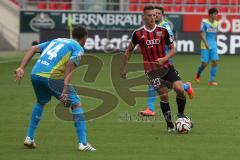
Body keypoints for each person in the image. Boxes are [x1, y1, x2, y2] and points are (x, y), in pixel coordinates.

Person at [15, 26, 96, 151]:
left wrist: (21, 68)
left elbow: (34, 48)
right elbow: (70, 64)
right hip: (50, 78)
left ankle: (29, 138)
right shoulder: (78, 48)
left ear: (71, 35)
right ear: (85, 38)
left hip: (35, 74)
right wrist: (65, 89)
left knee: (41, 102)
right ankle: (83, 144)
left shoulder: (57, 40)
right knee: (76, 104)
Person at [120, 6, 191, 132]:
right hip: (152, 71)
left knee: (179, 89)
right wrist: (122, 68)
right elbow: (129, 50)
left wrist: (165, 58)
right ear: (144, 17)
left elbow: (174, 49)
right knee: (164, 95)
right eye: (150, 15)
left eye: (154, 15)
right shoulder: (138, 33)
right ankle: (170, 126)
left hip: (167, 66)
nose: (153, 17)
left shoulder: (163, 31)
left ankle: (181, 115)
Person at [139, 6, 195, 116]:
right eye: (154, 14)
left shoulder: (164, 26)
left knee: (164, 84)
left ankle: (151, 108)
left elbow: (171, 40)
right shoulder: (150, 27)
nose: (155, 15)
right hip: (153, 59)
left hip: (164, 58)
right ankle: (186, 87)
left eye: (158, 13)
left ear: (162, 15)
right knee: (156, 83)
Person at [195, 8, 219, 86]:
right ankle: (198, 74)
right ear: (210, 14)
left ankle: (212, 80)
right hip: (205, 45)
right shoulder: (204, 22)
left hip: (213, 45)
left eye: (217, 14)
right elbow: (202, 34)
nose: (216, 15)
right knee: (204, 64)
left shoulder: (216, 23)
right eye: (215, 14)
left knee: (215, 61)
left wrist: (214, 44)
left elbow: (214, 35)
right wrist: (206, 44)